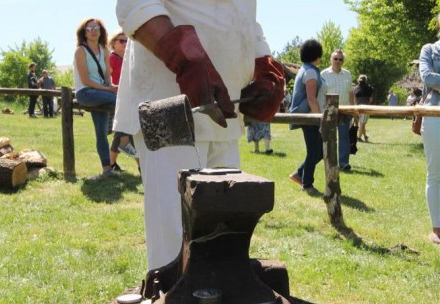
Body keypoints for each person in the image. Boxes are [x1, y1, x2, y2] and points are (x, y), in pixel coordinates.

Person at [113, 1, 285, 270]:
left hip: (225, 116)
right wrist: (185, 59)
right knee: (173, 250)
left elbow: (244, 17)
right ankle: (171, 303)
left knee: (224, 240)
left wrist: (264, 66)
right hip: (167, 109)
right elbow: (135, 4)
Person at [74, 18, 118, 177]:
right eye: (89, 28)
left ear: (101, 31)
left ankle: (107, 169)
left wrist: (111, 87)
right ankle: (124, 138)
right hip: (86, 93)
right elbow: (85, 80)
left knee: (101, 133)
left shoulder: (104, 50)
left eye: (96, 28)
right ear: (84, 33)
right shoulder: (81, 51)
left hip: (102, 93)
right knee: (119, 101)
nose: (93, 31)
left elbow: (107, 77)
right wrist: (108, 90)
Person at [288, 39, 327, 196]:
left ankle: (299, 174)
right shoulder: (310, 71)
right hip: (310, 117)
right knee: (314, 151)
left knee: (319, 151)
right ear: (317, 55)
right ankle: (307, 184)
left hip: (311, 116)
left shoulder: (308, 69)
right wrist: (318, 118)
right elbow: (311, 98)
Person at [418, 19, 440, 245]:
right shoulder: (430, 49)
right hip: (435, 115)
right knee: (435, 173)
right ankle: (437, 229)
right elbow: (428, 78)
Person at [107, 31, 139, 172]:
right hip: (118, 97)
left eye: (127, 41)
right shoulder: (112, 58)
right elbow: (107, 77)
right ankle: (140, 165)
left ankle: (112, 164)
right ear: (113, 43)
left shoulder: (127, 58)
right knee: (127, 129)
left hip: (129, 97)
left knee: (122, 131)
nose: (125, 44)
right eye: (121, 41)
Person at [321, 49, 355, 171]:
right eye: (335, 58)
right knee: (329, 137)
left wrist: (353, 109)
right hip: (329, 110)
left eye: (340, 59)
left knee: (344, 137)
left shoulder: (347, 74)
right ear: (331, 59)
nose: (338, 61)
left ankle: (344, 163)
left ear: (343, 61)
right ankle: (330, 161)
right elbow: (320, 94)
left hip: (344, 110)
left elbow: (351, 93)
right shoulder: (323, 74)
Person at [354, 74, 374, 142]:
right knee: (362, 123)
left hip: (357, 107)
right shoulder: (370, 88)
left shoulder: (355, 88)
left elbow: (354, 98)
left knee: (361, 123)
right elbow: (371, 99)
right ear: (366, 80)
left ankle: (365, 136)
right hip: (366, 107)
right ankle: (359, 138)